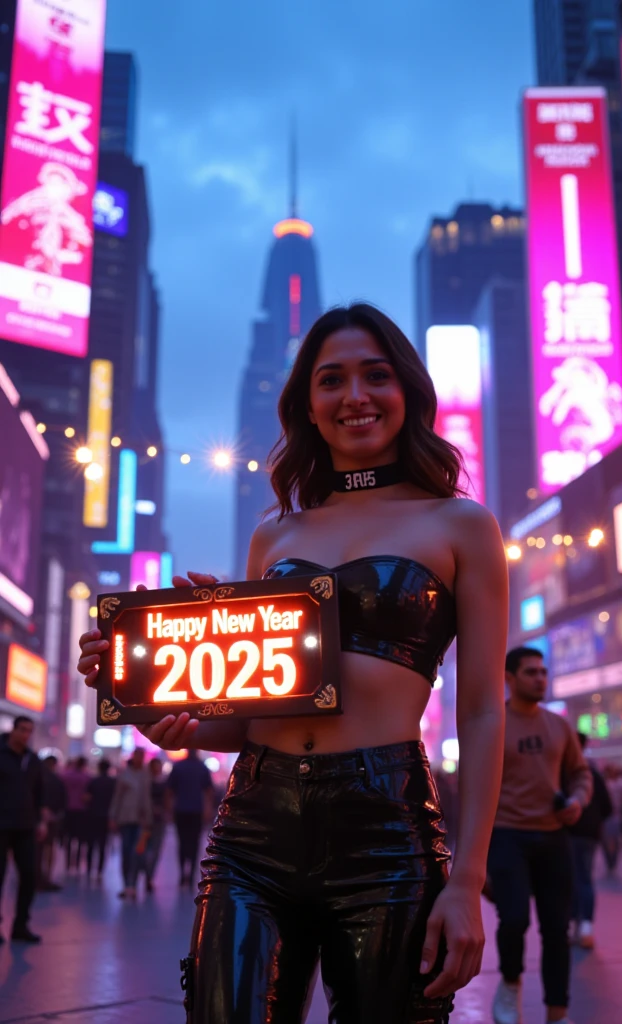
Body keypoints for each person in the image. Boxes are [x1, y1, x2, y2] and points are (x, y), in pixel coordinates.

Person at [77, 303, 508, 1023]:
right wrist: (157, 706)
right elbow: (245, 723)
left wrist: (468, 880)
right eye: (331, 380)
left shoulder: (460, 523)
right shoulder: (275, 532)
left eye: (375, 375)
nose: (355, 397)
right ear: (308, 404)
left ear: (406, 390)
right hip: (253, 830)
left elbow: (485, 707)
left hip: (386, 834)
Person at [488, 647, 592, 1024]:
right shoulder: (493, 722)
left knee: (556, 929)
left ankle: (557, 1012)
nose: (540, 679)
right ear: (510, 678)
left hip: (552, 837)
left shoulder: (559, 726)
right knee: (513, 920)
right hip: (506, 834)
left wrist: (578, 801)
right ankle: (510, 985)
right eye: (531, 672)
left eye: (543, 672)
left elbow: (581, 774)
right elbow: (475, 785)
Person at [0, 716, 48, 942]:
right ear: (13, 730)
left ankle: (20, 926)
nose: (26, 735)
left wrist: (41, 820)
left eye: (30, 731)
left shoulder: (33, 760)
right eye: (22, 730)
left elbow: (39, 793)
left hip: (26, 826)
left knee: (29, 876)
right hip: (1, 825)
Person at [568, 732, 612, 950]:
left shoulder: (565, 773)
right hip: (589, 836)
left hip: (570, 834)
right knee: (584, 878)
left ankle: (576, 924)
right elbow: (608, 807)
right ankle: (585, 926)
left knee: (573, 879)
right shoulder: (594, 773)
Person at [109, 749, 153, 900]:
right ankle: (126, 885)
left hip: (141, 820)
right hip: (125, 818)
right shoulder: (124, 775)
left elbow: (147, 798)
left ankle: (132, 884)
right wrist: (113, 817)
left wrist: (148, 818)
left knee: (137, 852)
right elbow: (117, 797)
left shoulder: (146, 775)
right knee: (126, 852)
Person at [167, 749, 214, 887]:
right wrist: (207, 810)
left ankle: (182, 874)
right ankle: (191, 873)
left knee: (182, 842)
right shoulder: (202, 768)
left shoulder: (178, 767)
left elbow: (169, 790)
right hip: (196, 811)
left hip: (180, 810)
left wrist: (169, 810)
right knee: (194, 843)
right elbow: (209, 791)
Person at [37, 754, 66, 892]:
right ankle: (47, 877)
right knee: (49, 848)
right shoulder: (57, 780)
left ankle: (35, 877)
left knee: (36, 849)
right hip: (53, 819)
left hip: (36, 819)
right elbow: (63, 800)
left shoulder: (36, 779)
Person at [85, 759, 116, 881]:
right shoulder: (112, 782)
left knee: (91, 844)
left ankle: (88, 870)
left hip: (93, 815)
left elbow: (87, 798)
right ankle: (99, 871)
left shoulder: (93, 781)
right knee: (103, 845)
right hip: (106, 816)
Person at [61, 755, 91, 872]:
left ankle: (68, 863)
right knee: (79, 839)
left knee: (68, 838)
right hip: (82, 811)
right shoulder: (87, 778)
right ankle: (77, 863)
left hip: (68, 810)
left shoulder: (65, 776)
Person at [144, 757, 167, 892]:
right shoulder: (146, 782)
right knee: (144, 848)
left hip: (159, 820)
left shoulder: (164, 782)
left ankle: (150, 876)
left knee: (156, 849)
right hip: (146, 819)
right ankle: (145, 873)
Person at [600, 764, 622, 876]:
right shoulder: (605, 784)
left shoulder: (620, 784)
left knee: (615, 841)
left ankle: (612, 861)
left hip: (615, 815)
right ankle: (610, 861)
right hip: (607, 816)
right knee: (606, 841)